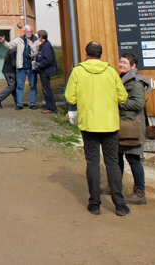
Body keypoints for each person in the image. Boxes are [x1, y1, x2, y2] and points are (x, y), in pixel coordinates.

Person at [64, 41, 130, 216]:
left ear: (86, 53)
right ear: (101, 54)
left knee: (92, 163)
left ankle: (95, 204)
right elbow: (123, 97)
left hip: (89, 123)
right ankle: (120, 204)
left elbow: (70, 97)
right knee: (112, 163)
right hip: (109, 124)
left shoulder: (78, 71)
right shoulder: (110, 71)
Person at [116, 52, 149, 205]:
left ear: (133, 66)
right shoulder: (122, 79)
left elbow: (138, 104)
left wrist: (119, 102)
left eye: (125, 63)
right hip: (122, 124)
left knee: (133, 158)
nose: (121, 64)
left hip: (132, 126)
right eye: (120, 62)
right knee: (117, 157)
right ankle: (114, 186)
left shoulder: (136, 82)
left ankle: (139, 193)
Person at [33, 29, 58, 114]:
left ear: (41, 37)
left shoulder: (46, 46)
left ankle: (51, 108)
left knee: (47, 89)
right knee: (45, 89)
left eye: (38, 36)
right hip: (43, 70)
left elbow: (48, 60)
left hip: (45, 71)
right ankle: (50, 106)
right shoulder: (44, 45)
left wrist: (38, 65)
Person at [16, 24, 38, 109]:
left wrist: (32, 45)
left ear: (32, 32)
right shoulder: (20, 40)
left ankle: (32, 104)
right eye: (27, 31)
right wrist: (3, 42)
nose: (29, 33)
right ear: (24, 32)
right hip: (21, 67)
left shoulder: (36, 40)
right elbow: (10, 45)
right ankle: (19, 104)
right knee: (20, 86)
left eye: (30, 32)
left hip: (32, 67)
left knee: (33, 86)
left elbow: (37, 52)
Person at [0, 37, 17, 109]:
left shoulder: (12, 49)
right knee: (12, 86)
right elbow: (14, 63)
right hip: (10, 71)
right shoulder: (13, 50)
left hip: (8, 70)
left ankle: (18, 102)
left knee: (14, 87)